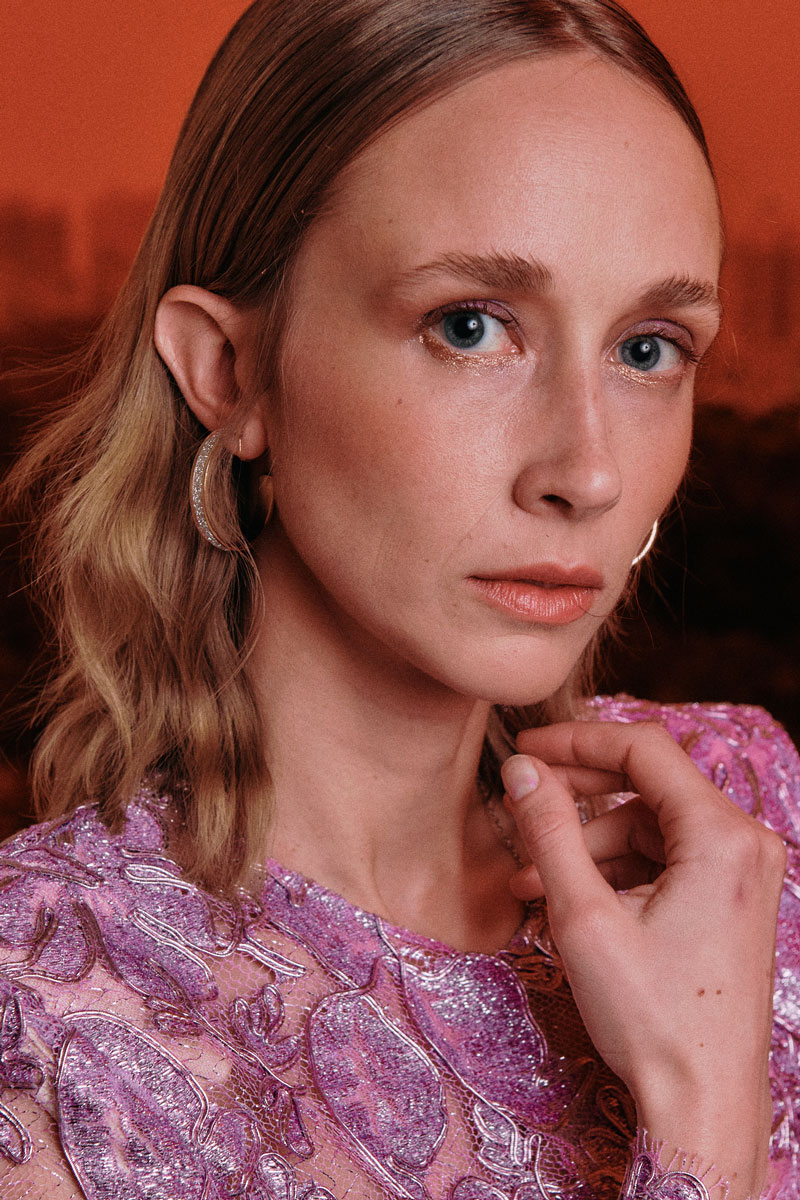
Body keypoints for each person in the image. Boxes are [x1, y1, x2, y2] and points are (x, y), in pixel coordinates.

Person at [0, 1, 797, 1196]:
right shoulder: (50, 1020)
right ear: (228, 371)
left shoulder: (738, 831)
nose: (586, 472)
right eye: (469, 328)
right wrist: (701, 1120)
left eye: (647, 348)